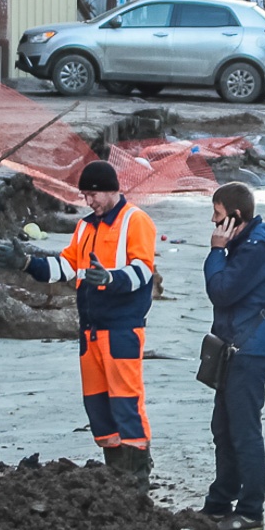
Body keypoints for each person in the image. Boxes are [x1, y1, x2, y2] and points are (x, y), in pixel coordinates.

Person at [19, 159, 159, 486]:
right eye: (85, 196)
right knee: (98, 406)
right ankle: (116, 472)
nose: (89, 201)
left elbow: (143, 271)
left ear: (111, 190)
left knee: (126, 402)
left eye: (93, 194)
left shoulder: (134, 221)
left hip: (121, 328)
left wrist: (110, 278)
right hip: (90, 332)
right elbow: (66, 267)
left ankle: (136, 475)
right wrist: (27, 263)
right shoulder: (85, 227)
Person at [200, 182, 265, 530]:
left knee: (243, 430)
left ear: (234, 217)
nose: (212, 220)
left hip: (251, 351)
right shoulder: (248, 243)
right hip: (236, 347)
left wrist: (215, 253)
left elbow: (221, 292)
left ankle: (251, 510)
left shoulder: (255, 249)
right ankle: (220, 502)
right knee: (223, 428)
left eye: (217, 214)